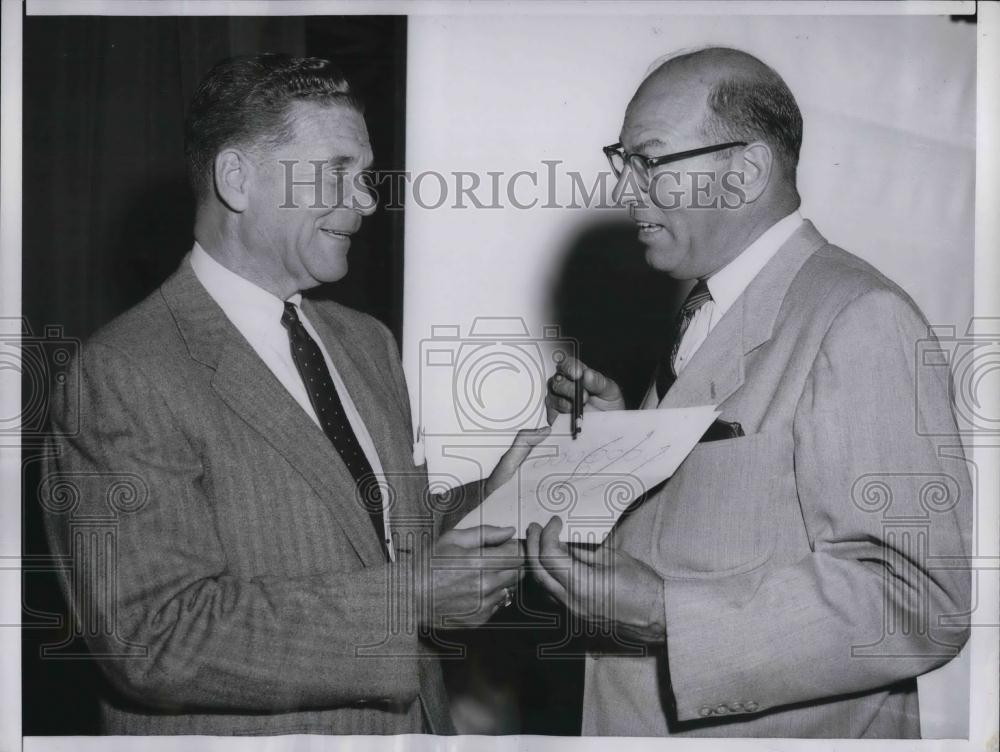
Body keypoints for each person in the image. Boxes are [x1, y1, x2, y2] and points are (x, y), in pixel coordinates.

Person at [41, 53, 543, 736]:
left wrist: (506, 488)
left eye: (365, 177)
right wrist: (409, 602)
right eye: (338, 172)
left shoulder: (366, 343)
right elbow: (154, 637)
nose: (367, 202)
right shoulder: (123, 373)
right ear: (236, 179)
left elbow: (377, 537)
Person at [532, 46, 971, 738]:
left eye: (649, 162)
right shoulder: (711, 310)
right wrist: (622, 445)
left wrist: (665, 613)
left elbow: (918, 601)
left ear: (743, 173)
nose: (625, 192)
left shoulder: (860, 317)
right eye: (623, 164)